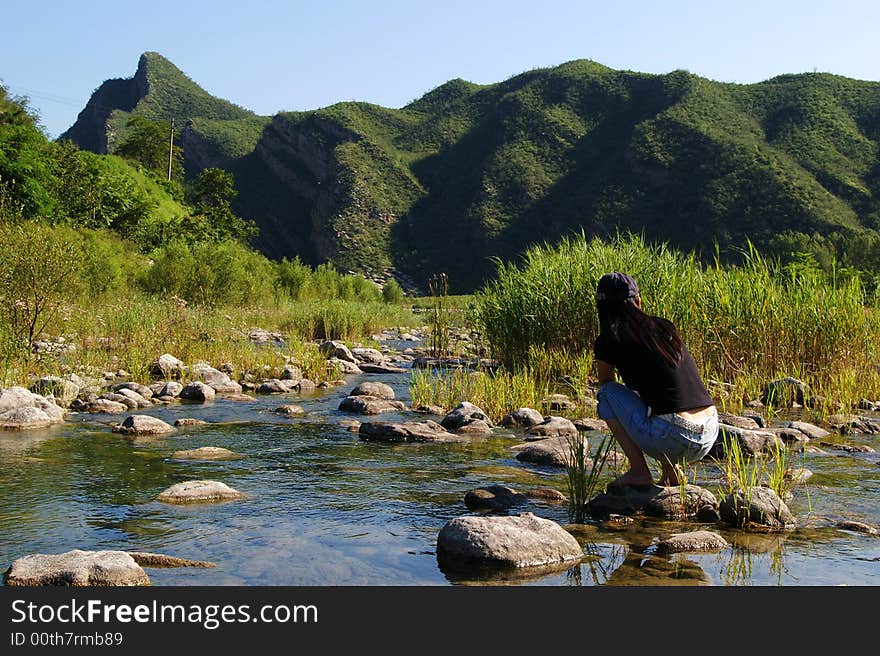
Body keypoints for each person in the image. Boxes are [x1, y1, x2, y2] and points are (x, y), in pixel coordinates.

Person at [592, 272, 718, 488]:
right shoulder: (664, 327)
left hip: (676, 436)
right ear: (638, 302)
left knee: (607, 395)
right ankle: (672, 473)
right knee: (658, 399)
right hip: (710, 430)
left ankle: (639, 472)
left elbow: (606, 382)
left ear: (600, 307)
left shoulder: (609, 339)